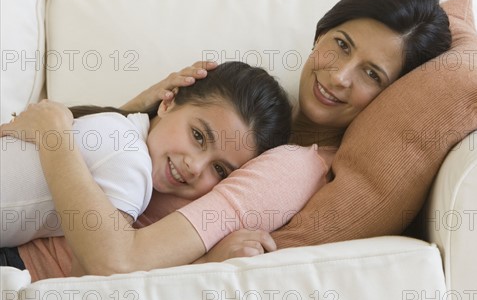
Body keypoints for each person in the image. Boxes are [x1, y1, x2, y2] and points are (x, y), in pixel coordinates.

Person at [0, 0, 452, 278]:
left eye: (372, 74)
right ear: (320, 35)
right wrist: (138, 110)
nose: (339, 76)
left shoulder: (291, 167)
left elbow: (120, 261)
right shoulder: (256, 113)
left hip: (30, 266)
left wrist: (56, 136)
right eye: (341, 44)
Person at [0, 62, 293, 246]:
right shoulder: (131, 162)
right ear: (167, 103)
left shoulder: (116, 130)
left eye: (219, 170)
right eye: (198, 136)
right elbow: (105, 266)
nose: (194, 166)